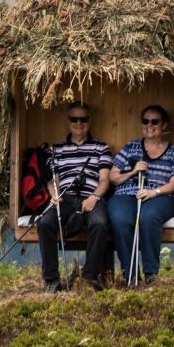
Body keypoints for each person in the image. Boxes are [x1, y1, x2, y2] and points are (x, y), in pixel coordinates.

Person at [37, 102, 112, 292]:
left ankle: (90, 277)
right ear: (68, 121)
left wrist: (94, 197)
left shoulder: (101, 148)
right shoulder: (56, 149)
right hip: (65, 198)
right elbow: (52, 180)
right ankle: (51, 280)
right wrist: (54, 196)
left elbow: (104, 180)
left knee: (100, 224)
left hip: (92, 197)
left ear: (90, 121)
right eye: (74, 119)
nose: (79, 123)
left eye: (83, 119)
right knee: (45, 223)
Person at [108, 104, 174, 285]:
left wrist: (154, 192)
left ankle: (150, 274)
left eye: (155, 121)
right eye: (145, 121)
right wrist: (132, 171)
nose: (150, 125)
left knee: (149, 217)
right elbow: (113, 177)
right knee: (120, 219)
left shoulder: (173, 151)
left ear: (164, 125)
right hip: (127, 193)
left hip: (160, 195)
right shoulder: (131, 147)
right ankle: (130, 275)